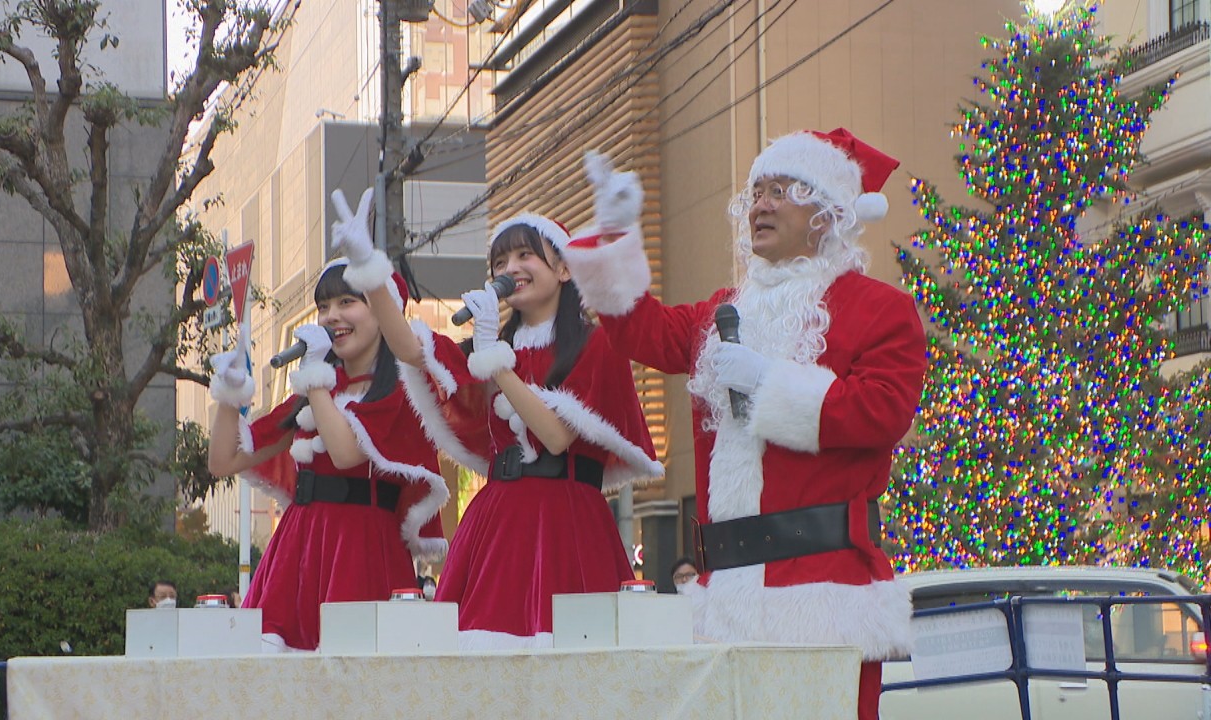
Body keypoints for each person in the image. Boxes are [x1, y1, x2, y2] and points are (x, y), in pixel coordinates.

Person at [561, 131, 926, 720]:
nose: (760, 205)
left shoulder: (880, 308)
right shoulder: (719, 311)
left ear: (827, 211)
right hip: (724, 589)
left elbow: (882, 411)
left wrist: (768, 381)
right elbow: (643, 331)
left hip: (822, 586)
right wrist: (615, 238)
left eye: (780, 191)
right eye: (756, 192)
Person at [329, 189, 663, 649]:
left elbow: (555, 436)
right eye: (501, 262)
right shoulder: (489, 346)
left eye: (526, 255)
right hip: (496, 522)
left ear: (565, 269)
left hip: (567, 521)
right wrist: (368, 270)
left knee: (571, 659)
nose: (510, 270)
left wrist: (494, 360)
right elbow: (410, 348)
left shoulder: (594, 344)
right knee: (480, 659)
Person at [206, 259, 450, 652]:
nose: (331, 316)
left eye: (347, 302)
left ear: (383, 308)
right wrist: (228, 396)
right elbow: (223, 462)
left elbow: (345, 454)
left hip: (364, 548)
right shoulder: (314, 390)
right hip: (297, 548)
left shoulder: (404, 388)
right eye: (324, 306)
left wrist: (317, 376)